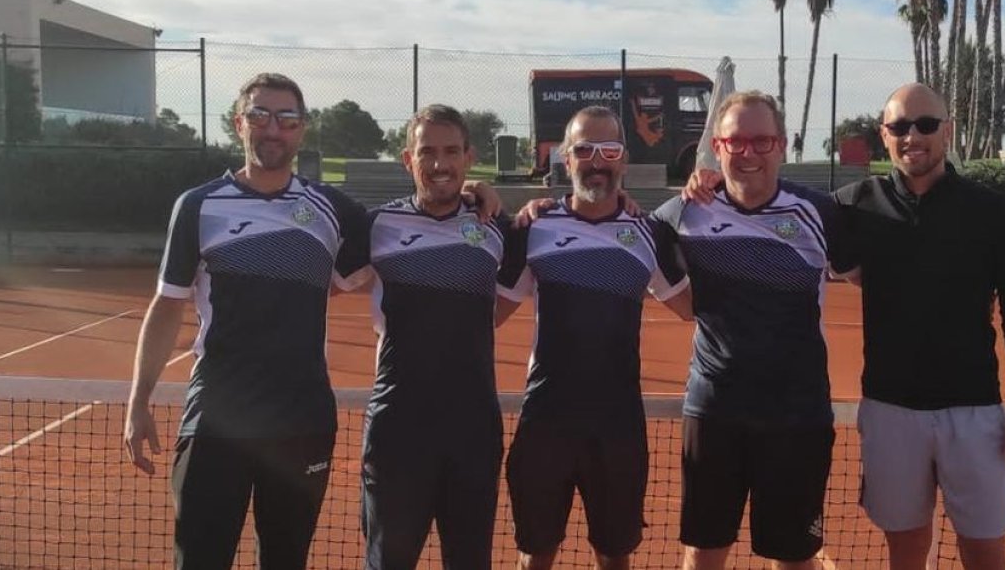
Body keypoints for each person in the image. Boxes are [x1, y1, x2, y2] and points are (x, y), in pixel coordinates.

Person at [123, 72, 369, 570]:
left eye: (286, 118)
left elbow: (412, 227)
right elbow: (168, 304)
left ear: (302, 130)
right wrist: (137, 401)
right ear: (240, 124)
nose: (272, 129)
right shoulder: (197, 206)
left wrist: (482, 197)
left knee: (284, 561)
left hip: (301, 420)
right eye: (259, 115)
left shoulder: (333, 209)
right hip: (216, 419)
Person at [832, 82, 1005, 570]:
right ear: (884, 136)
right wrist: (707, 185)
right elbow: (774, 204)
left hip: (973, 413)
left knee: (985, 552)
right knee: (905, 552)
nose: (913, 137)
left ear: (947, 131)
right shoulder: (852, 205)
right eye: (900, 127)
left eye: (926, 125)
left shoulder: (989, 211)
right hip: (890, 411)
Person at [497, 105, 693, 570]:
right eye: (584, 149)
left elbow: (695, 309)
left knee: (614, 552)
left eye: (609, 149)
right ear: (565, 158)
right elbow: (486, 316)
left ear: (624, 160)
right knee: (535, 551)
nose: (597, 160)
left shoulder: (649, 233)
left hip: (617, 425)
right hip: (547, 418)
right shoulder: (532, 229)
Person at [673, 91, 855, 570]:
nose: (748, 152)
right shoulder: (686, 212)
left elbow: (875, 277)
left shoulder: (819, 213)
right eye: (736, 141)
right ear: (718, 145)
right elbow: (614, 226)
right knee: (704, 552)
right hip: (714, 413)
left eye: (761, 140)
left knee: (794, 558)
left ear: (781, 146)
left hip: (796, 416)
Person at [356, 104, 513, 570]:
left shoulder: (498, 227)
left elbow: (558, 221)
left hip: (473, 429)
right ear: (409, 160)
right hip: (397, 428)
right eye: (427, 152)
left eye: (451, 152)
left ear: (469, 157)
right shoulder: (373, 226)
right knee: (389, 561)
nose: (440, 164)